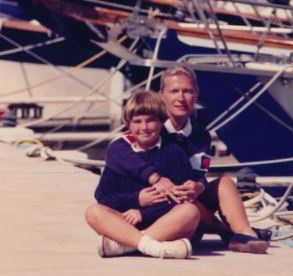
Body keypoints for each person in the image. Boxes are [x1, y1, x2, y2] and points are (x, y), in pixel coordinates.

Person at [101, 66, 270, 254]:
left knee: (225, 183)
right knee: (184, 203)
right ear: (162, 95)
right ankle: (225, 232)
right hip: (156, 204)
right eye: (174, 91)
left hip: (185, 199)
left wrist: (199, 186)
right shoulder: (150, 126)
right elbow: (116, 151)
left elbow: (200, 173)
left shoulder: (200, 135)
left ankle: (244, 234)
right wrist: (155, 178)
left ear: (196, 95)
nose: (180, 98)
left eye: (187, 91)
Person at [85, 90, 200, 259]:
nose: (144, 127)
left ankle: (125, 245)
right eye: (137, 122)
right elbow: (103, 196)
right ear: (129, 125)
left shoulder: (174, 153)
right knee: (93, 212)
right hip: (125, 221)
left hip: (163, 222)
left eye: (150, 120)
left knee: (190, 211)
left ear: (161, 122)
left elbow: (180, 198)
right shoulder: (120, 156)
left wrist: (143, 214)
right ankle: (155, 247)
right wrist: (136, 200)